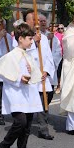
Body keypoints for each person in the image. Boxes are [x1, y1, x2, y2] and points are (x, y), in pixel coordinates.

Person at [0, 23, 43, 148]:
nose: (32, 42)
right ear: (21, 38)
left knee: (27, 126)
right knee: (20, 122)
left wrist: (33, 74)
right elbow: (4, 74)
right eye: (30, 39)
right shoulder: (12, 55)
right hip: (16, 94)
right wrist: (20, 78)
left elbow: (34, 74)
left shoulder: (28, 55)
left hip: (29, 94)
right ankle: (5, 144)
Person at [20, 9, 55, 140]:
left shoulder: (44, 38)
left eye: (37, 20)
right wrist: (33, 41)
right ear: (27, 22)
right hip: (29, 77)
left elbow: (48, 57)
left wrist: (46, 71)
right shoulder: (21, 38)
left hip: (42, 77)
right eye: (33, 19)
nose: (36, 22)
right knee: (28, 106)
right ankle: (25, 128)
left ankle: (43, 129)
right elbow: (20, 54)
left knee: (44, 103)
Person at [55, 24, 65, 94]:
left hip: (64, 56)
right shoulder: (55, 35)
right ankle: (57, 85)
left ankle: (60, 85)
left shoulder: (65, 35)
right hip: (57, 56)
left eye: (62, 28)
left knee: (61, 71)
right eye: (59, 28)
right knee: (57, 71)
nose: (60, 30)